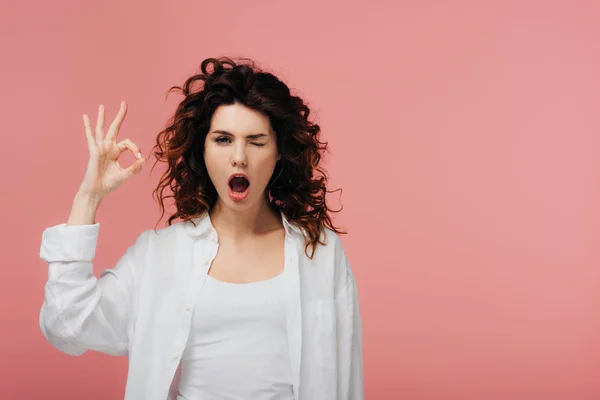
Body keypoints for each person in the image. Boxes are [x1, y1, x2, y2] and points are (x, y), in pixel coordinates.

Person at [39, 57, 363, 400]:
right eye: (223, 139)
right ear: (203, 149)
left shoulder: (320, 253)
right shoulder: (159, 254)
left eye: (256, 141)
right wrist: (88, 198)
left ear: (279, 152)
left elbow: (346, 377)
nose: (239, 157)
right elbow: (67, 325)